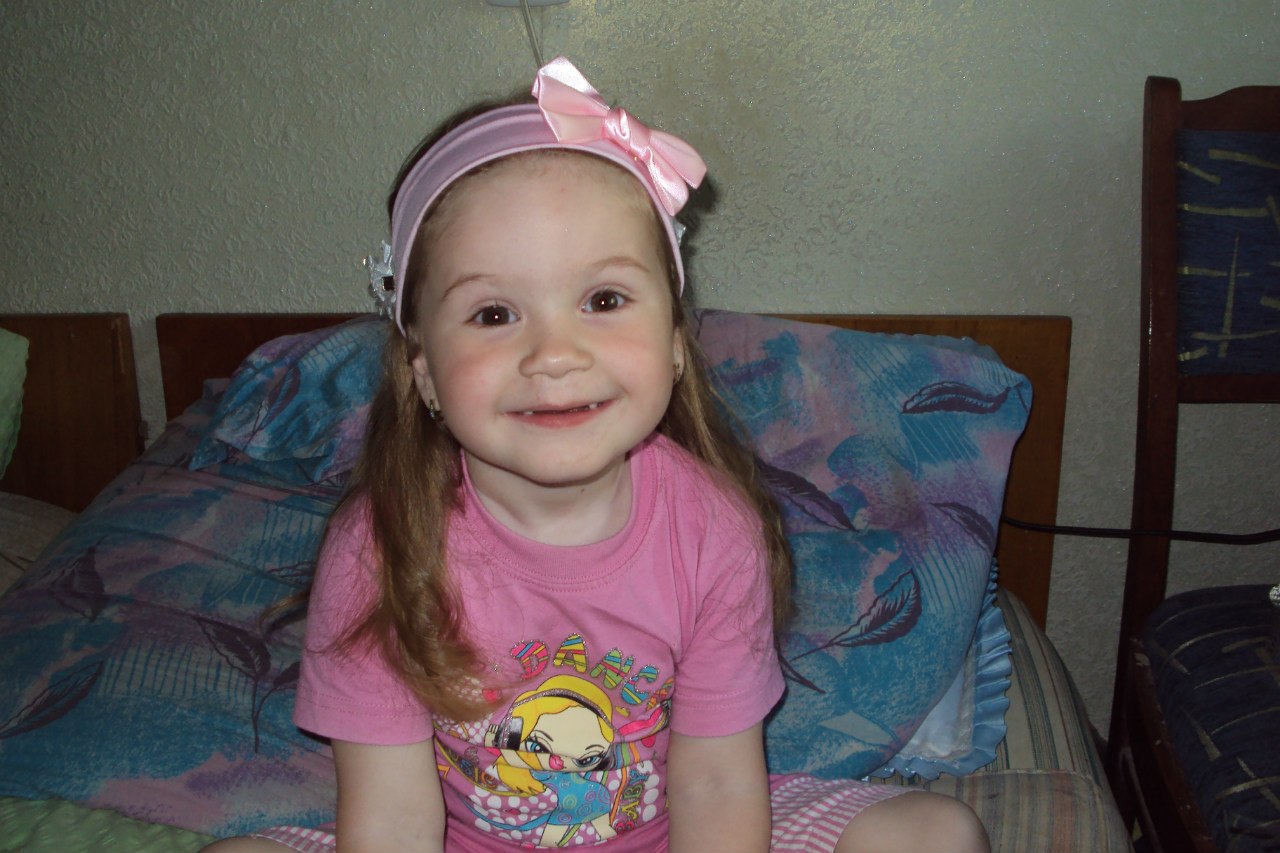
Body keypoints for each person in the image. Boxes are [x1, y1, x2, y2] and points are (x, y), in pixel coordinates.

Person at [203, 57, 990, 853]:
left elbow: (717, 784)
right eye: (493, 313)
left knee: (935, 833)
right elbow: (394, 820)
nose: (555, 354)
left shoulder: (714, 527)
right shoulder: (380, 546)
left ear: (675, 341)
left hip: (683, 828)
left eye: (604, 300)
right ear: (424, 372)